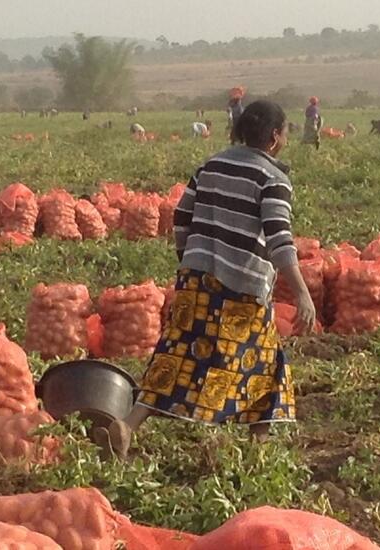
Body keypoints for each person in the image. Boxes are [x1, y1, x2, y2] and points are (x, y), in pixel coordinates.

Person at [93, 100, 316, 460]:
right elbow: (279, 239)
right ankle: (258, 451)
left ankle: (128, 425)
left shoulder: (211, 165)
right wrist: (302, 293)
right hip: (241, 287)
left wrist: (190, 259)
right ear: (275, 137)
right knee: (264, 361)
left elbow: (182, 215)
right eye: (286, 132)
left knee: (177, 352)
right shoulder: (273, 178)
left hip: (196, 280)